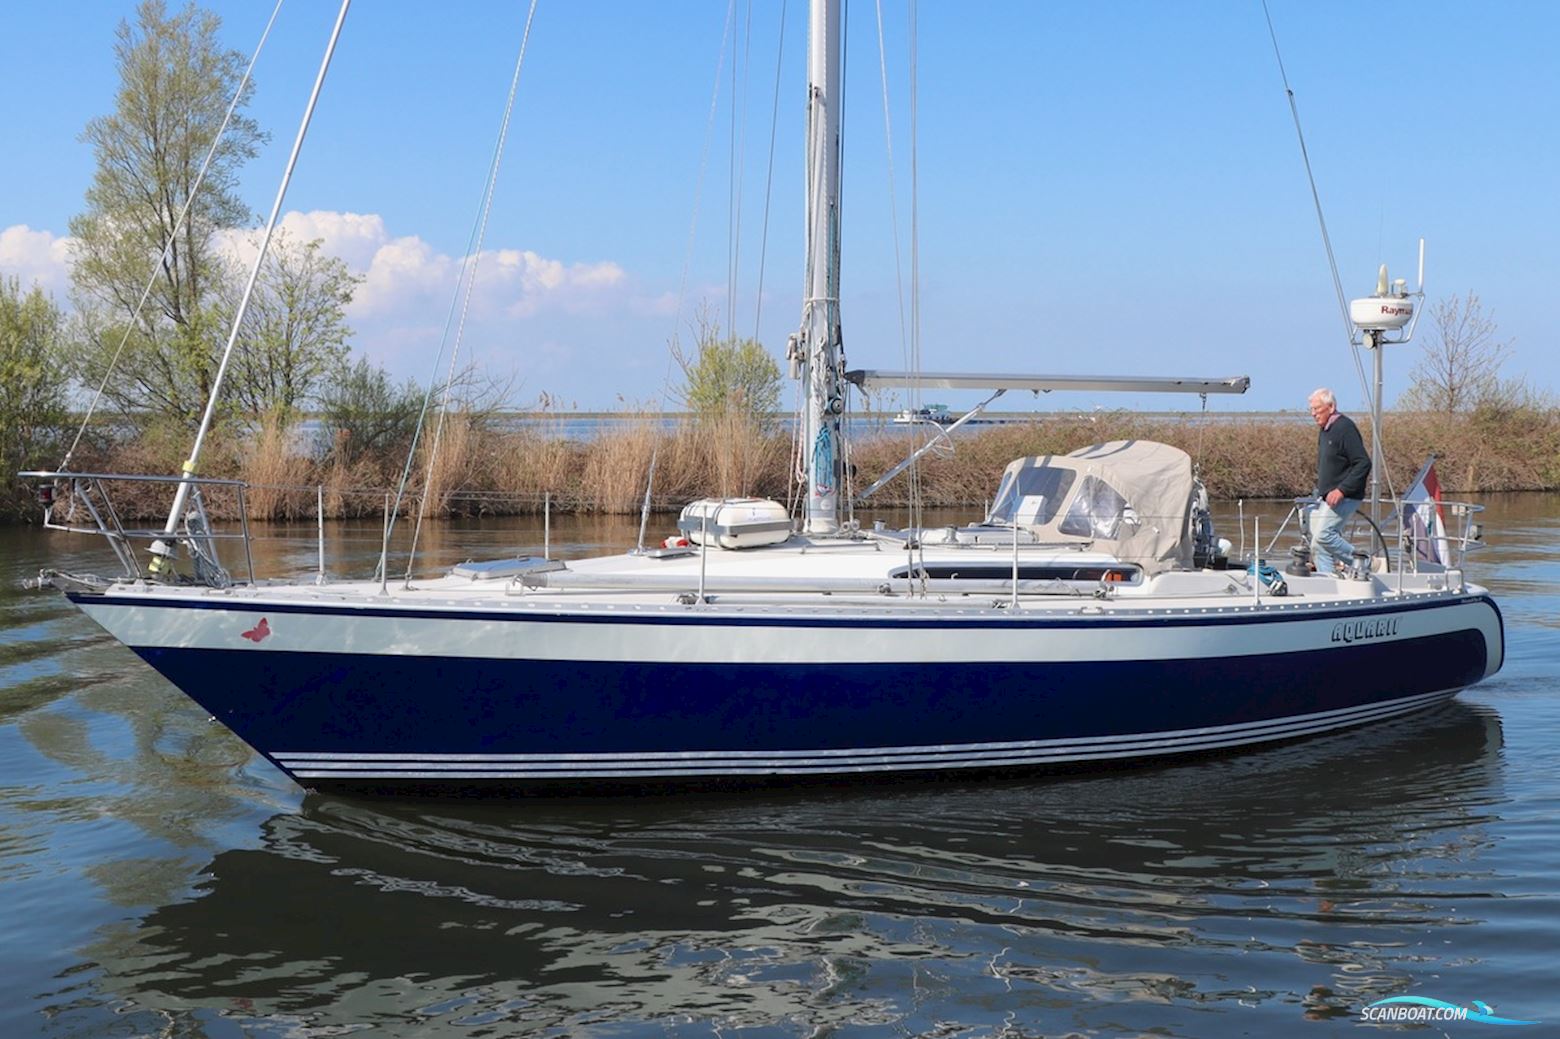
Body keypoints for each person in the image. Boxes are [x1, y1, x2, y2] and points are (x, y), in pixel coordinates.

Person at [1307, 387, 1371, 575]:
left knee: (1324, 535)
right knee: (1318, 545)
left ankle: (1363, 563)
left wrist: (1341, 490)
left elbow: (1363, 463)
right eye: (1311, 409)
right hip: (1327, 497)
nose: (1313, 414)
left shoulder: (1345, 428)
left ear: (1331, 406)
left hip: (1346, 496)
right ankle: (1328, 582)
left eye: (1316, 409)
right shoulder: (1325, 430)